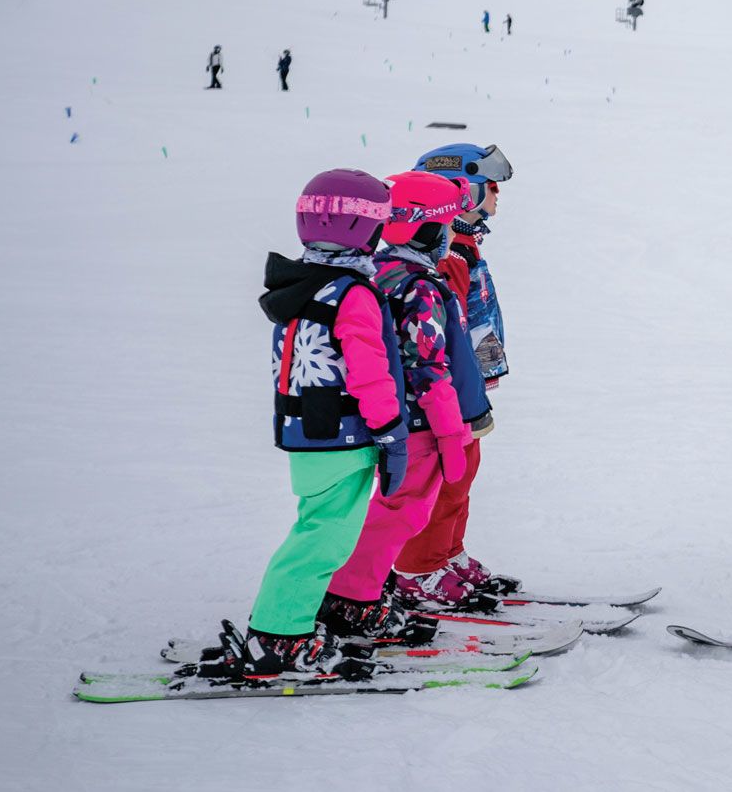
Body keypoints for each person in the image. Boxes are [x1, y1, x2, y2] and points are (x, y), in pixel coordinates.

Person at [221, 170, 408, 676]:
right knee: (324, 537)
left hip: (309, 429)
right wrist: (391, 430)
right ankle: (279, 634)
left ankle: (285, 623)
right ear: (366, 229)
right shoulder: (352, 293)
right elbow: (369, 370)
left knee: (317, 527)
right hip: (341, 433)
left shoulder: (302, 283)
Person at [318, 171, 472, 642]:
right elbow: (429, 365)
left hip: (384, 415)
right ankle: (351, 597)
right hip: (418, 421)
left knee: (387, 508)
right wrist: (451, 433)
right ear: (425, 230)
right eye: (445, 227)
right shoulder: (419, 286)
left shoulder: (380, 273)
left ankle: (359, 587)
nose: (450, 238)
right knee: (402, 512)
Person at [392, 143, 515, 606]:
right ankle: (417, 568)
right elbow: (442, 335)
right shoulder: (447, 259)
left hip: (465, 389)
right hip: (445, 393)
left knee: (463, 474)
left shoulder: (463, 248)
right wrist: (454, 393)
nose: (498, 194)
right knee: (445, 478)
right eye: (490, 185)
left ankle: (445, 553)